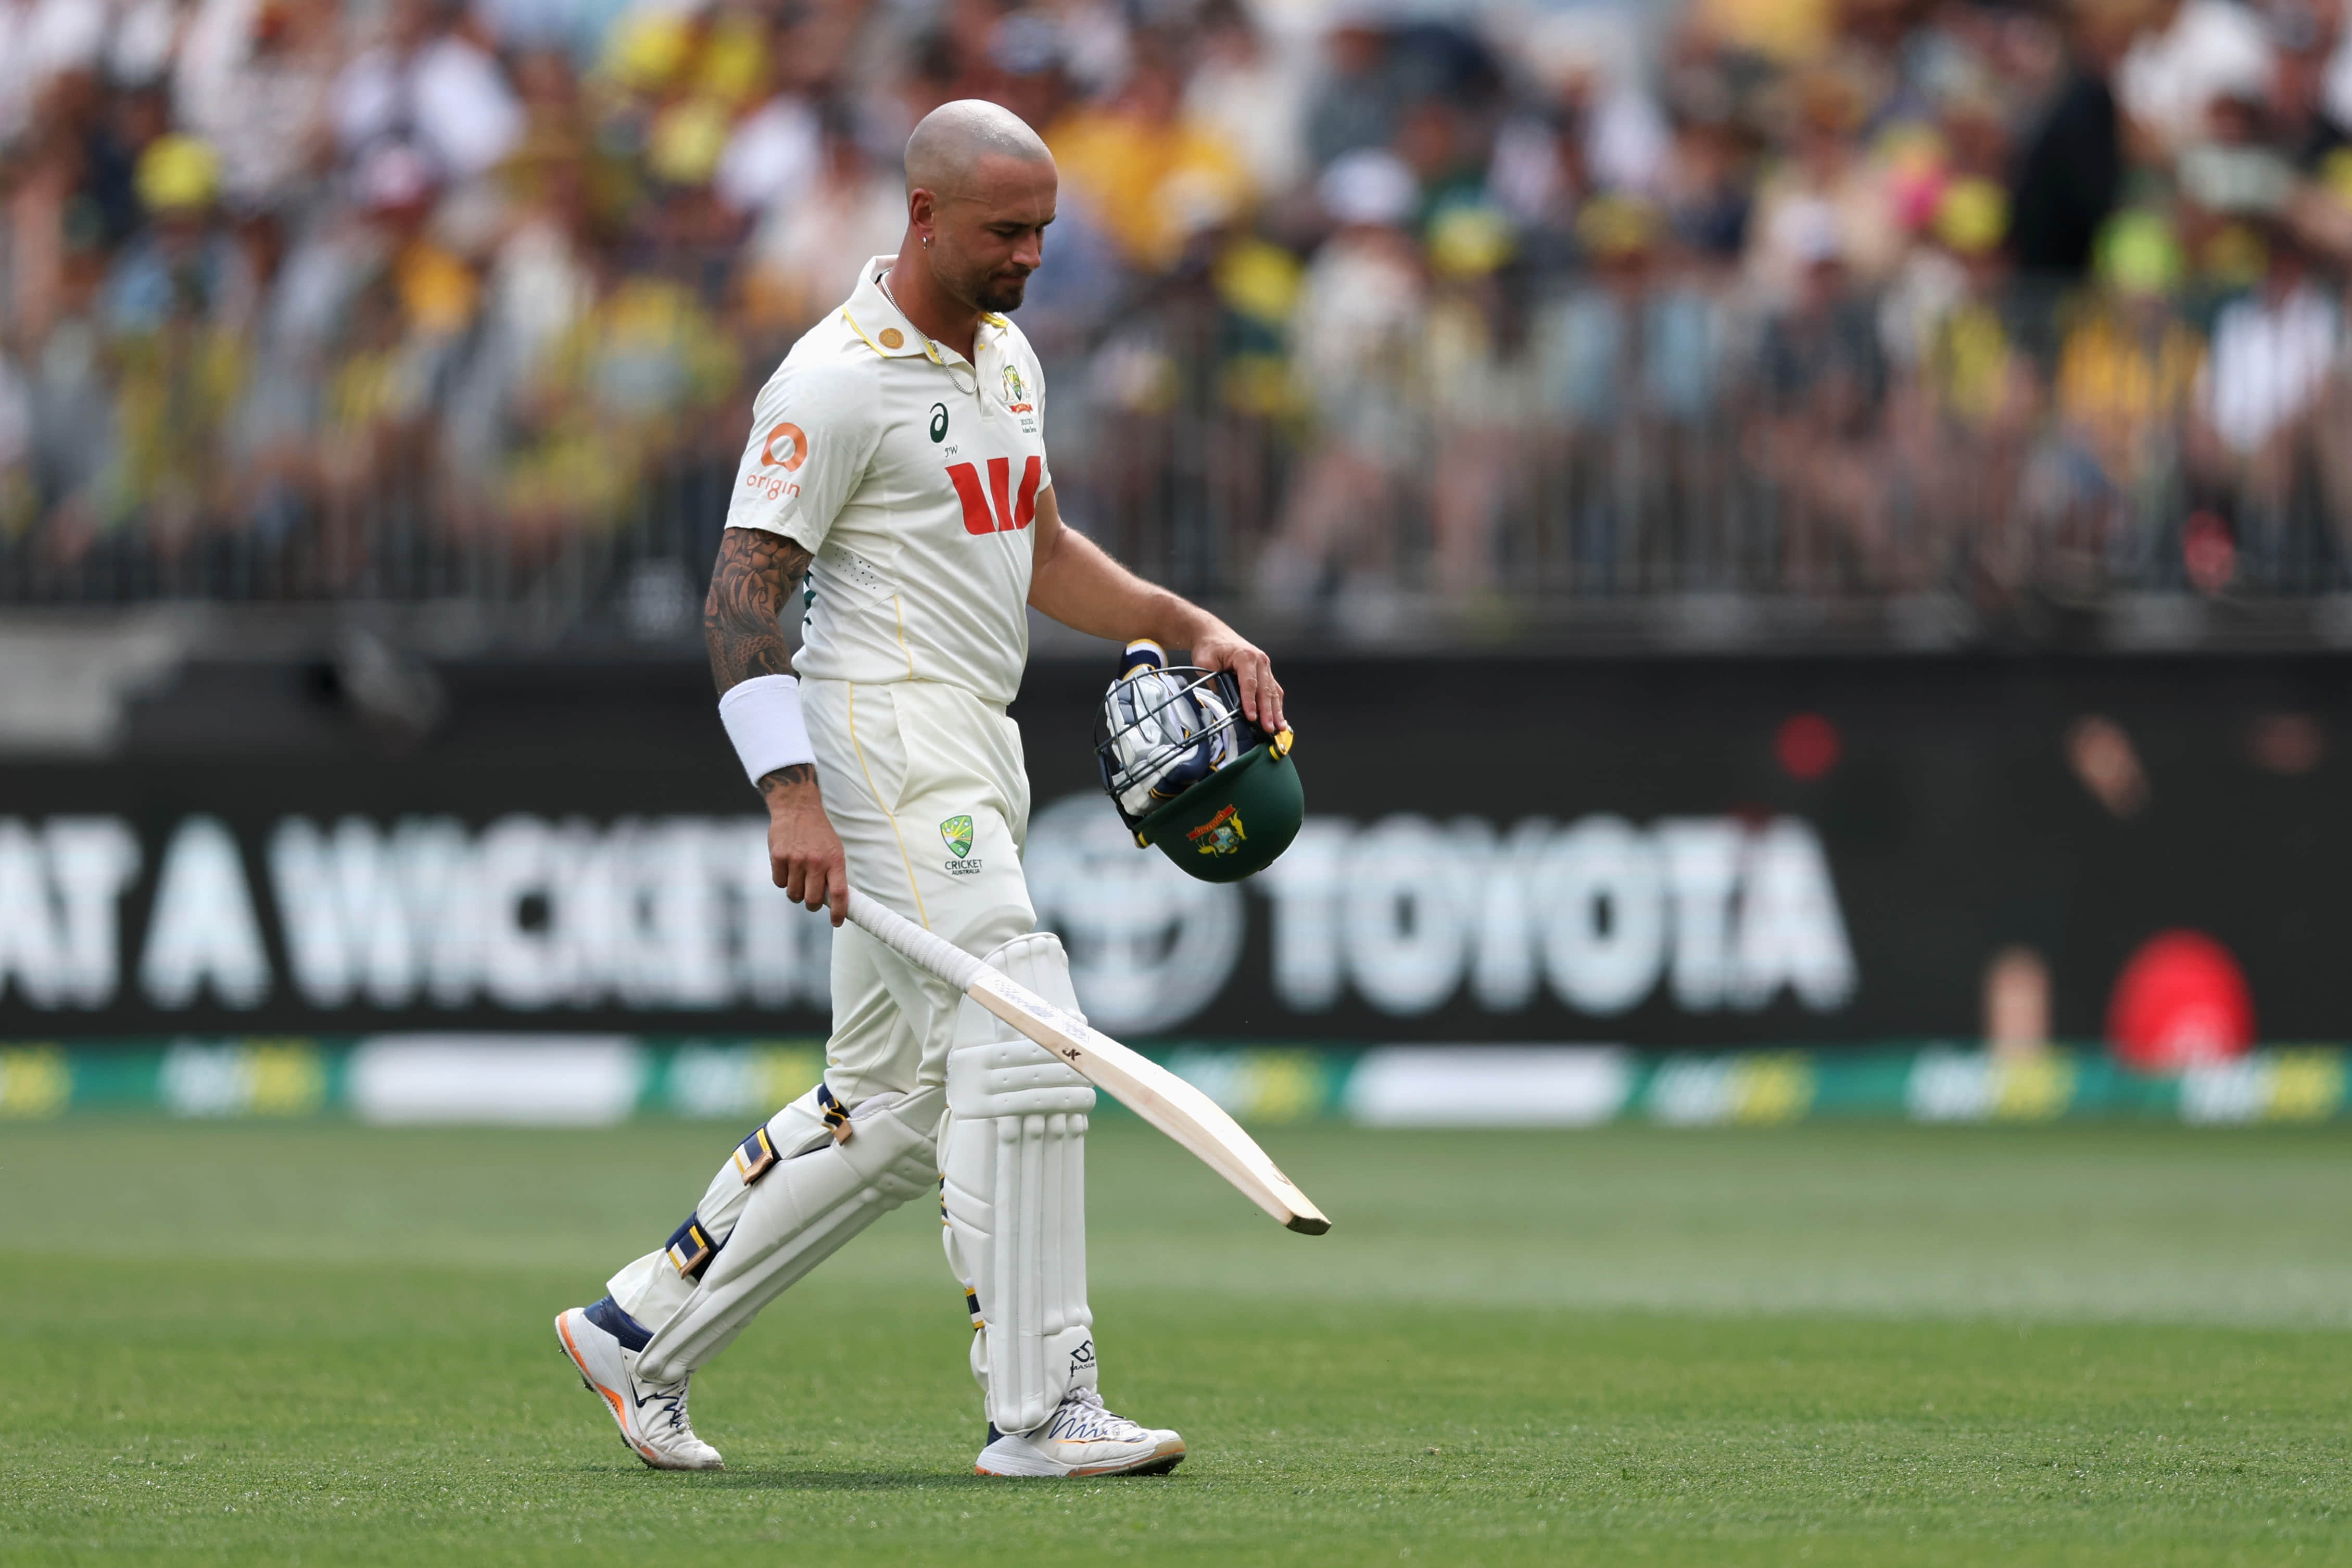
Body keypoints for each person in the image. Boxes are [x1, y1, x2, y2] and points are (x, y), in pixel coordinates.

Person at [553, 99, 1286, 1480]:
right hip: (879, 732)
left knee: (890, 1104)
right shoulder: (832, 381)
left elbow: (1041, 547)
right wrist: (791, 792)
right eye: (1008, 231)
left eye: (1045, 232)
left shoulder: (1006, 355)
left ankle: (636, 1329)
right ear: (924, 216)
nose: (1031, 257)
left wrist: (1184, 620)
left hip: (972, 737)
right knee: (1026, 1024)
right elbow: (740, 601)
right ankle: (1043, 1408)